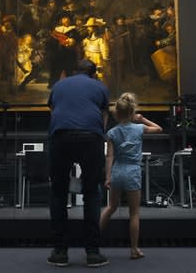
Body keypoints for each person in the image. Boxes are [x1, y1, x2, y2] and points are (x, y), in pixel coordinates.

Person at [47, 59, 110, 268]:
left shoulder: (59, 85)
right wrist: (99, 135)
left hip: (61, 135)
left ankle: (60, 252)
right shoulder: (100, 86)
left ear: (75, 71)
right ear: (93, 74)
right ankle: (92, 253)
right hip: (90, 137)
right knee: (92, 192)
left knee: (58, 191)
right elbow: (104, 115)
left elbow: (53, 110)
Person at [99, 92, 162, 260]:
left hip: (118, 172)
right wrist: (142, 119)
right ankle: (134, 249)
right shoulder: (139, 128)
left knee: (111, 207)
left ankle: (93, 241)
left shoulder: (112, 133)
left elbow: (109, 157)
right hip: (132, 173)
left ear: (117, 113)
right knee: (134, 213)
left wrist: (107, 177)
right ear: (132, 112)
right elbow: (159, 129)